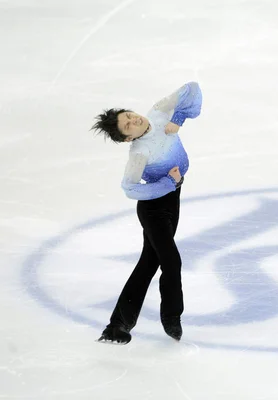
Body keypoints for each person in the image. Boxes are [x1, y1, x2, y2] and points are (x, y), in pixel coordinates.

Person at [90, 81, 203, 344]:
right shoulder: (139, 151)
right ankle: (171, 317)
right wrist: (167, 183)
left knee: (148, 263)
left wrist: (178, 117)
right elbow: (129, 187)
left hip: (172, 199)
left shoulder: (159, 113)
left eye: (129, 116)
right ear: (128, 138)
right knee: (171, 261)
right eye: (127, 126)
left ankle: (118, 326)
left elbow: (192, 89)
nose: (133, 121)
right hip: (154, 209)